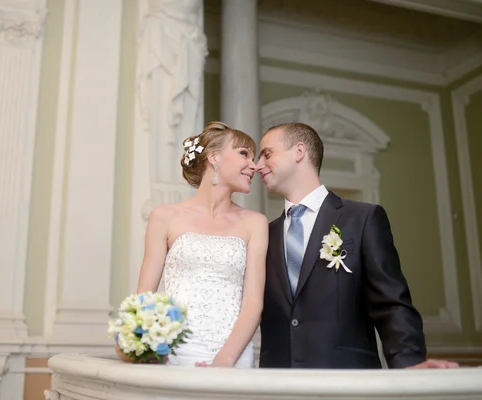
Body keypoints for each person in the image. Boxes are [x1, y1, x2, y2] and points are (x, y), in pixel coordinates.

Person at [256, 122, 459, 369]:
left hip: (349, 380)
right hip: (277, 383)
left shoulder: (363, 218)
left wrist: (409, 364)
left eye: (267, 154)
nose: (257, 165)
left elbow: (390, 303)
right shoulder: (264, 234)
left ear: (299, 152)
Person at [121, 121, 268, 368]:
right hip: (174, 353)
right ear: (214, 157)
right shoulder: (164, 216)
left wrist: (225, 360)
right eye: (244, 154)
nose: (254, 165)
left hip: (232, 356)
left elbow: (253, 302)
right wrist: (133, 341)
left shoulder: (256, 223)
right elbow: (144, 298)